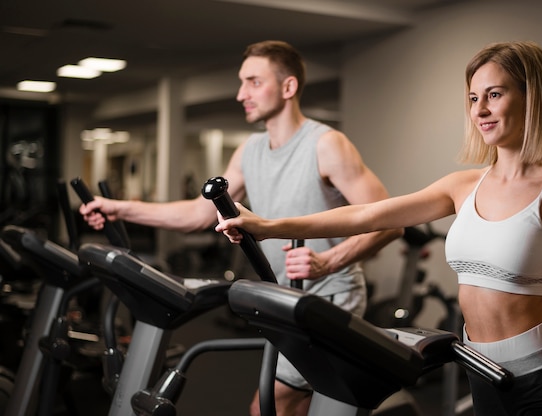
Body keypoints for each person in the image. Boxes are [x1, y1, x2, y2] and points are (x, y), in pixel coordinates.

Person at [216, 40, 542, 415]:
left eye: (495, 95)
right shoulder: (464, 186)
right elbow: (367, 215)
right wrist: (266, 226)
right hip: (481, 371)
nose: (480, 110)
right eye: (473, 98)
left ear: (531, 97)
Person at [79, 40, 402, 416]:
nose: (240, 94)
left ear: (288, 87)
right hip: (285, 297)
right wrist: (123, 209)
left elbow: (390, 222)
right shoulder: (249, 150)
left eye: (252, 82)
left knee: (269, 406)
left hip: (330, 296)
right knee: (297, 406)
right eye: (241, 82)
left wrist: (328, 261)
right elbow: (198, 214)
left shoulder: (327, 145)